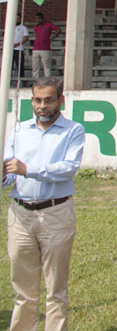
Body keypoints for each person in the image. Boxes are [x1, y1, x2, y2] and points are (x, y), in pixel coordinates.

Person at [3, 77, 84, 331]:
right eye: (37, 100)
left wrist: (29, 169)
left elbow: (68, 169)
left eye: (48, 100)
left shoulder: (73, 131)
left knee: (55, 289)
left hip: (55, 213)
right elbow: (9, 172)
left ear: (61, 100)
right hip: (20, 214)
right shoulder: (18, 130)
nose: (42, 106)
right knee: (23, 289)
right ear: (31, 101)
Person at [31, 12, 60, 78]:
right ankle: (35, 79)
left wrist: (52, 38)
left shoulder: (48, 25)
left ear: (42, 19)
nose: (37, 20)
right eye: (36, 19)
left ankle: (47, 79)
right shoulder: (36, 27)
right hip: (35, 48)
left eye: (39, 19)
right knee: (35, 66)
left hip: (45, 48)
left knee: (46, 65)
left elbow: (58, 30)